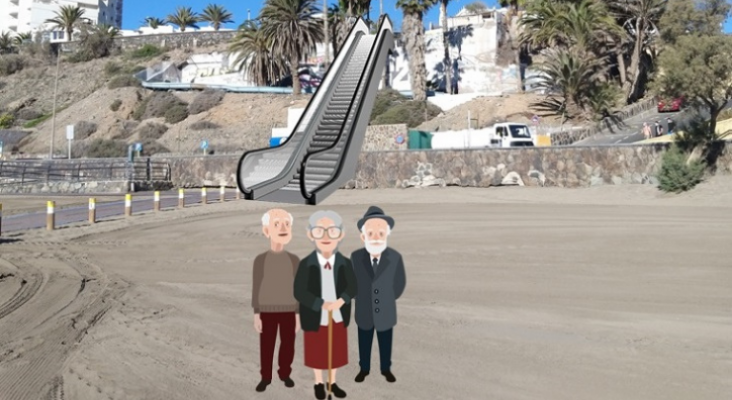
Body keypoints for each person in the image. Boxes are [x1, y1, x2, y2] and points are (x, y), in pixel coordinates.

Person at [294, 210, 357, 400]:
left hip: (337, 315)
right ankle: (318, 383)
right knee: (316, 352)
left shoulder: (345, 263)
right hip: (315, 316)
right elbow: (299, 291)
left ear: (341, 234)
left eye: (332, 231)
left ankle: (332, 382)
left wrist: (340, 300)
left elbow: (353, 286)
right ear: (311, 234)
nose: (326, 237)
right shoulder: (306, 263)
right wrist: (319, 304)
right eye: (320, 231)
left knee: (335, 352)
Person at [351, 206, 406, 384]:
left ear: (386, 234)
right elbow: (352, 282)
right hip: (364, 310)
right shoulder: (356, 257)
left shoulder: (395, 257)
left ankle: (386, 368)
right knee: (364, 342)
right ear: (363, 236)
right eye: (371, 233)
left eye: (380, 233)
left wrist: (388, 298)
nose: (376, 237)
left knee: (385, 342)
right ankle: (364, 368)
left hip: (386, 311)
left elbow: (399, 283)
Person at [251, 209, 301, 392]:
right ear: (266, 231)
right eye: (277, 224)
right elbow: (256, 288)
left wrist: (297, 315)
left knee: (288, 345)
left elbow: (298, 290)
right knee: (267, 345)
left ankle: (285, 373)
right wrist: (256, 314)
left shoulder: (294, 260)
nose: (283, 228)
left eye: (287, 224)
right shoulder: (261, 260)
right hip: (266, 310)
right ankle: (265, 377)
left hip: (289, 309)